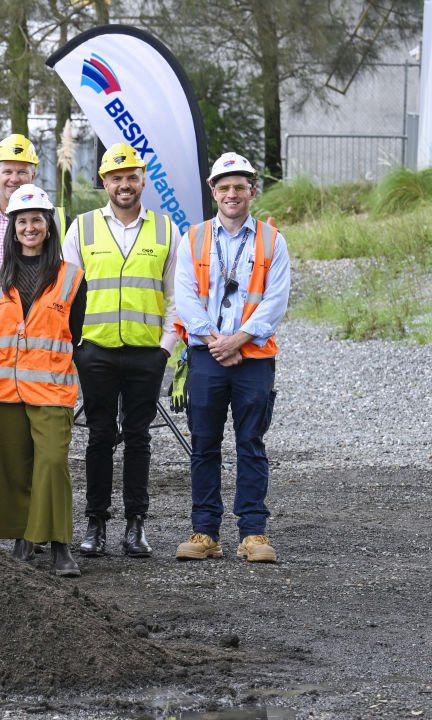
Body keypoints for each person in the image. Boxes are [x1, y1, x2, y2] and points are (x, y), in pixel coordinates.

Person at [61, 142, 182, 559]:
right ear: (104, 182)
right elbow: (68, 295)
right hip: (95, 352)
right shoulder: (81, 228)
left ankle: (136, 525)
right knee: (97, 437)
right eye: (116, 178)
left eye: (131, 176)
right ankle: (95, 523)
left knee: (138, 438)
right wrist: (77, 348)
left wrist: (165, 350)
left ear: (143, 179)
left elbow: (176, 298)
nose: (124, 184)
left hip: (146, 355)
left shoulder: (167, 231)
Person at [173, 153, 290, 564]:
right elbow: (184, 297)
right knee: (204, 444)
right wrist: (213, 339)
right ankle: (205, 532)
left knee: (250, 444)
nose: (232, 194)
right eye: (224, 187)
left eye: (239, 186)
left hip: (253, 357)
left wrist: (238, 340)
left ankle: (253, 533)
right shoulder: (193, 239)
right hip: (207, 355)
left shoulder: (273, 241)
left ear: (252, 190)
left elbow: (275, 301)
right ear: (213, 192)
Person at [0, 185, 87, 578]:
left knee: (53, 462)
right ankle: (24, 538)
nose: (29, 227)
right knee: (14, 466)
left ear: (49, 225)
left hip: (52, 388)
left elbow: (75, 332)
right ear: (13, 228)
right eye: (22, 220)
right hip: (2, 387)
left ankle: (59, 545)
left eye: (37, 219)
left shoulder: (71, 277)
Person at [0, 134, 68, 520]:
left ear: (35, 173)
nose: (15, 178)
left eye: (23, 171)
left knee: (32, 437)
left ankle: (31, 515)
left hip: (34, 342)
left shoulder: (54, 217)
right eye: (8, 170)